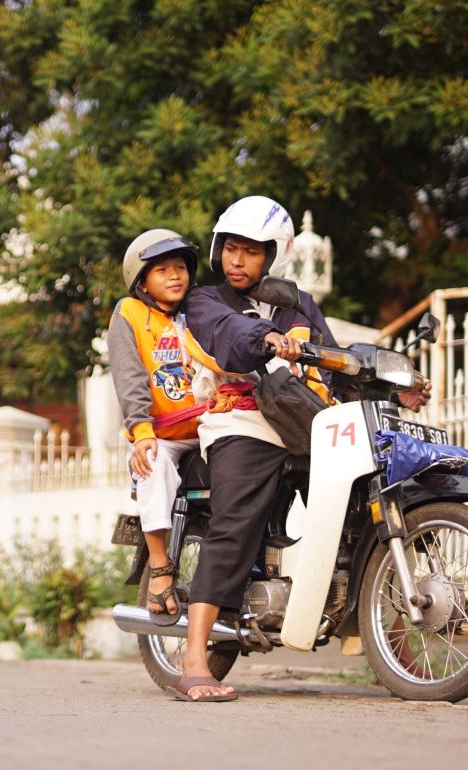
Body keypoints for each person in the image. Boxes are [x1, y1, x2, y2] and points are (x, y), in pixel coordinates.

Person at [177, 195, 429, 702]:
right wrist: (268, 337)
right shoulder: (206, 300)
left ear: (275, 255)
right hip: (242, 420)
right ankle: (194, 657)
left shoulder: (299, 304)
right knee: (236, 521)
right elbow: (229, 336)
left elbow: (336, 363)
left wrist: (395, 387)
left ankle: (387, 637)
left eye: (250, 251)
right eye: (230, 249)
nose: (237, 260)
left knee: (366, 500)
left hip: (301, 422)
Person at [108, 229, 215, 626]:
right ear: (142, 281)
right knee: (151, 464)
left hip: (209, 424)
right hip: (161, 434)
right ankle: (159, 567)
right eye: (163, 270)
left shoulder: (201, 310)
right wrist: (141, 432)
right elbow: (129, 376)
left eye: (181, 268)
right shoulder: (130, 314)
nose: (176, 276)